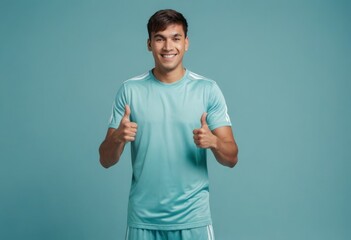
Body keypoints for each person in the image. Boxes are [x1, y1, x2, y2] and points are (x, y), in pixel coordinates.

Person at [99, 9, 238, 240]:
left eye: (175, 38)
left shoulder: (207, 90)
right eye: (159, 38)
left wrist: (214, 142)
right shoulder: (129, 90)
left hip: (193, 219)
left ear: (186, 43)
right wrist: (118, 137)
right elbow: (105, 160)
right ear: (149, 44)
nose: (167, 47)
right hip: (143, 219)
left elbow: (232, 157)